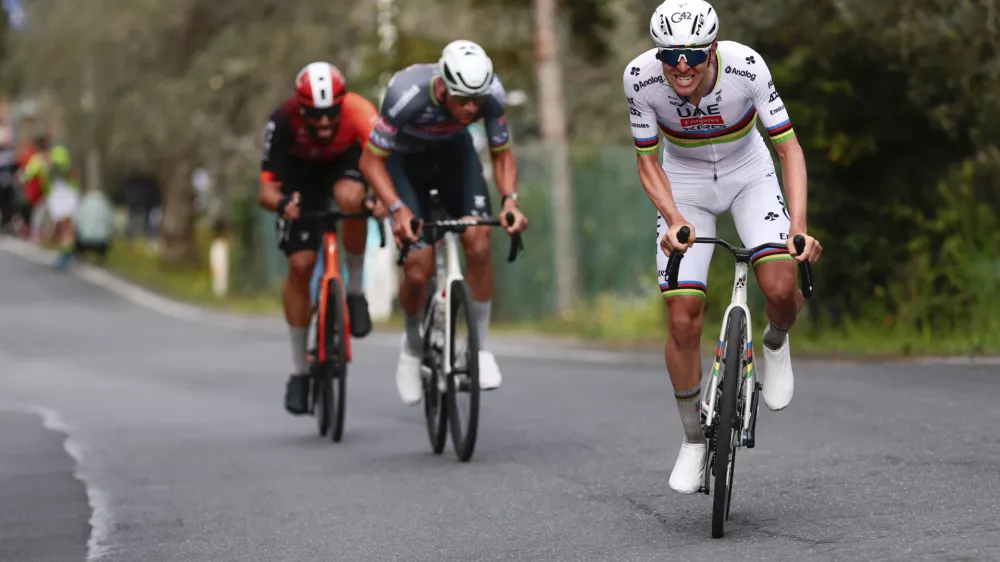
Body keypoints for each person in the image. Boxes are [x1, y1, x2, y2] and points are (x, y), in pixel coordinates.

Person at [622, 0, 823, 495]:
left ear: (712, 49)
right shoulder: (640, 79)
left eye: (692, 53)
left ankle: (775, 340)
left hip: (748, 173)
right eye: (670, 55)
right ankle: (693, 437)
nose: (682, 65)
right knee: (683, 316)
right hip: (684, 183)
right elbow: (648, 164)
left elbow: (788, 149)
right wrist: (672, 220)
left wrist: (798, 227)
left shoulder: (747, 66)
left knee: (779, 284)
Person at [359, 40, 529, 406]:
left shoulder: (492, 95)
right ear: (444, 87)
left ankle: (479, 350)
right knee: (418, 270)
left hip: (455, 158)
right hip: (404, 165)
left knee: (480, 242)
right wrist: (397, 209)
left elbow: (501, 153)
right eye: (462, 100)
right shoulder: (406, 94)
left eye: (477, 101)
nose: (470, 109)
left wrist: (510, 201)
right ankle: (411, 345)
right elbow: (371, 162)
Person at [256, 61, 383, 415]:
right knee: (301, 264)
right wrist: (283, 204)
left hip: (344, 164)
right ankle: (298, 371)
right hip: (300, 177)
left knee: (352, 201)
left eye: (331, 113)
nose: (325, 123)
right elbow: (264, 192)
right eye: (315, 115)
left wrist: (381, 200)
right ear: (300, 107)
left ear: (343, 103)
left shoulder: (360, 112)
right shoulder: (282, 120)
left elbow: (384, 165)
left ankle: (355, 290)